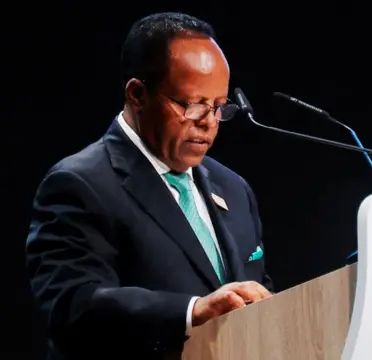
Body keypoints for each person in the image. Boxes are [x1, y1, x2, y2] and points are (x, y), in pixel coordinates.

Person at [25, 12, 273, 359]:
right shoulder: (79, 184)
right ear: (137, 94)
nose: (209, 124)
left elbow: (258, 291)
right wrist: (191, 311)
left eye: (218, 107)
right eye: (192, 105)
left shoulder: (233, 188)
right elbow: (73, 304)